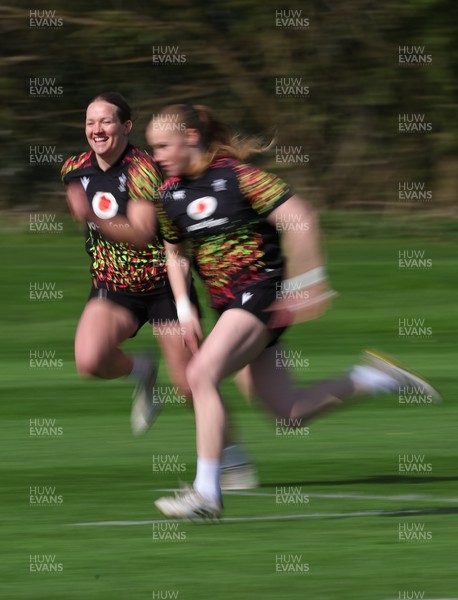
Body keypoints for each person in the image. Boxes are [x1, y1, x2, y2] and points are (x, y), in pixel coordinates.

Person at [146, 104, 441, 519]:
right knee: (290, 413)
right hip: (229, 305)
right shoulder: (169, 194)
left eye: (162, 146)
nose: (155, 155)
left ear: (191, 137)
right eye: (152, 147)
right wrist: (182, 306)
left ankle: (206, 492)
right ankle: (373, 378)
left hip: (260, 294)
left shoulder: (238, 176)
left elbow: (300, 217)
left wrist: (307, 282)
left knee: (199, 375)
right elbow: (174, 250)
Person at [61, 93, 258, 488]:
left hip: (164, 287)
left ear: (126, 127)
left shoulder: (142, 170)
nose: (97, 130)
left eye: (106, 122)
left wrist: (92, 218)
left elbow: (141, 232)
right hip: (114, 286)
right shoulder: (74, 168)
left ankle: (233, 456)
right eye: (90, 122)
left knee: (189, 384)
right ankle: (141, 370)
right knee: (89, 359)